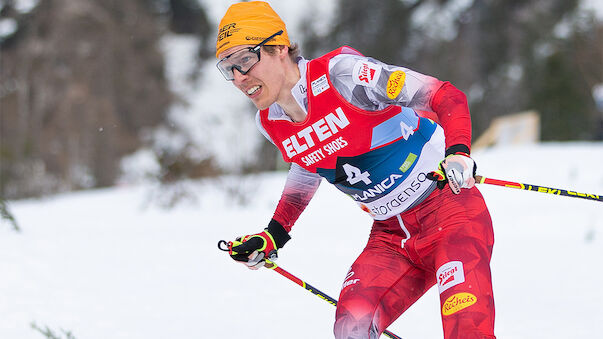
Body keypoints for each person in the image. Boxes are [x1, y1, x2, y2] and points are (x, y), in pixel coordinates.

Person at [216, 2, 496, 339]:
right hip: (392, 237)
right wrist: (274, 233)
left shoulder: (343, 75)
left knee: (467, 331)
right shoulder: (270, 121)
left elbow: (444, 96)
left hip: (450, 214)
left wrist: (458, 152)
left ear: (278, 48)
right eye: (227, 68)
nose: (238, 77)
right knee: (352, 328)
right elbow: (308, 164)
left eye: (245, 60)